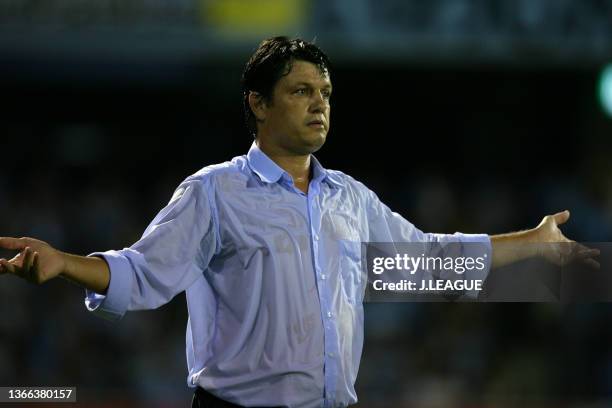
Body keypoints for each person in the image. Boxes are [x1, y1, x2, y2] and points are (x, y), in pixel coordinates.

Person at [0, 37, 599, 408]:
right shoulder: (216, 192)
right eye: (301, 91)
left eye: (327, 93)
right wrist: (63, 265)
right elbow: (143, 272)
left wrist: (535, 243)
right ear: (258, 104)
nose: (320, 105)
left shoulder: (349, 198)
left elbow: (426, 263)